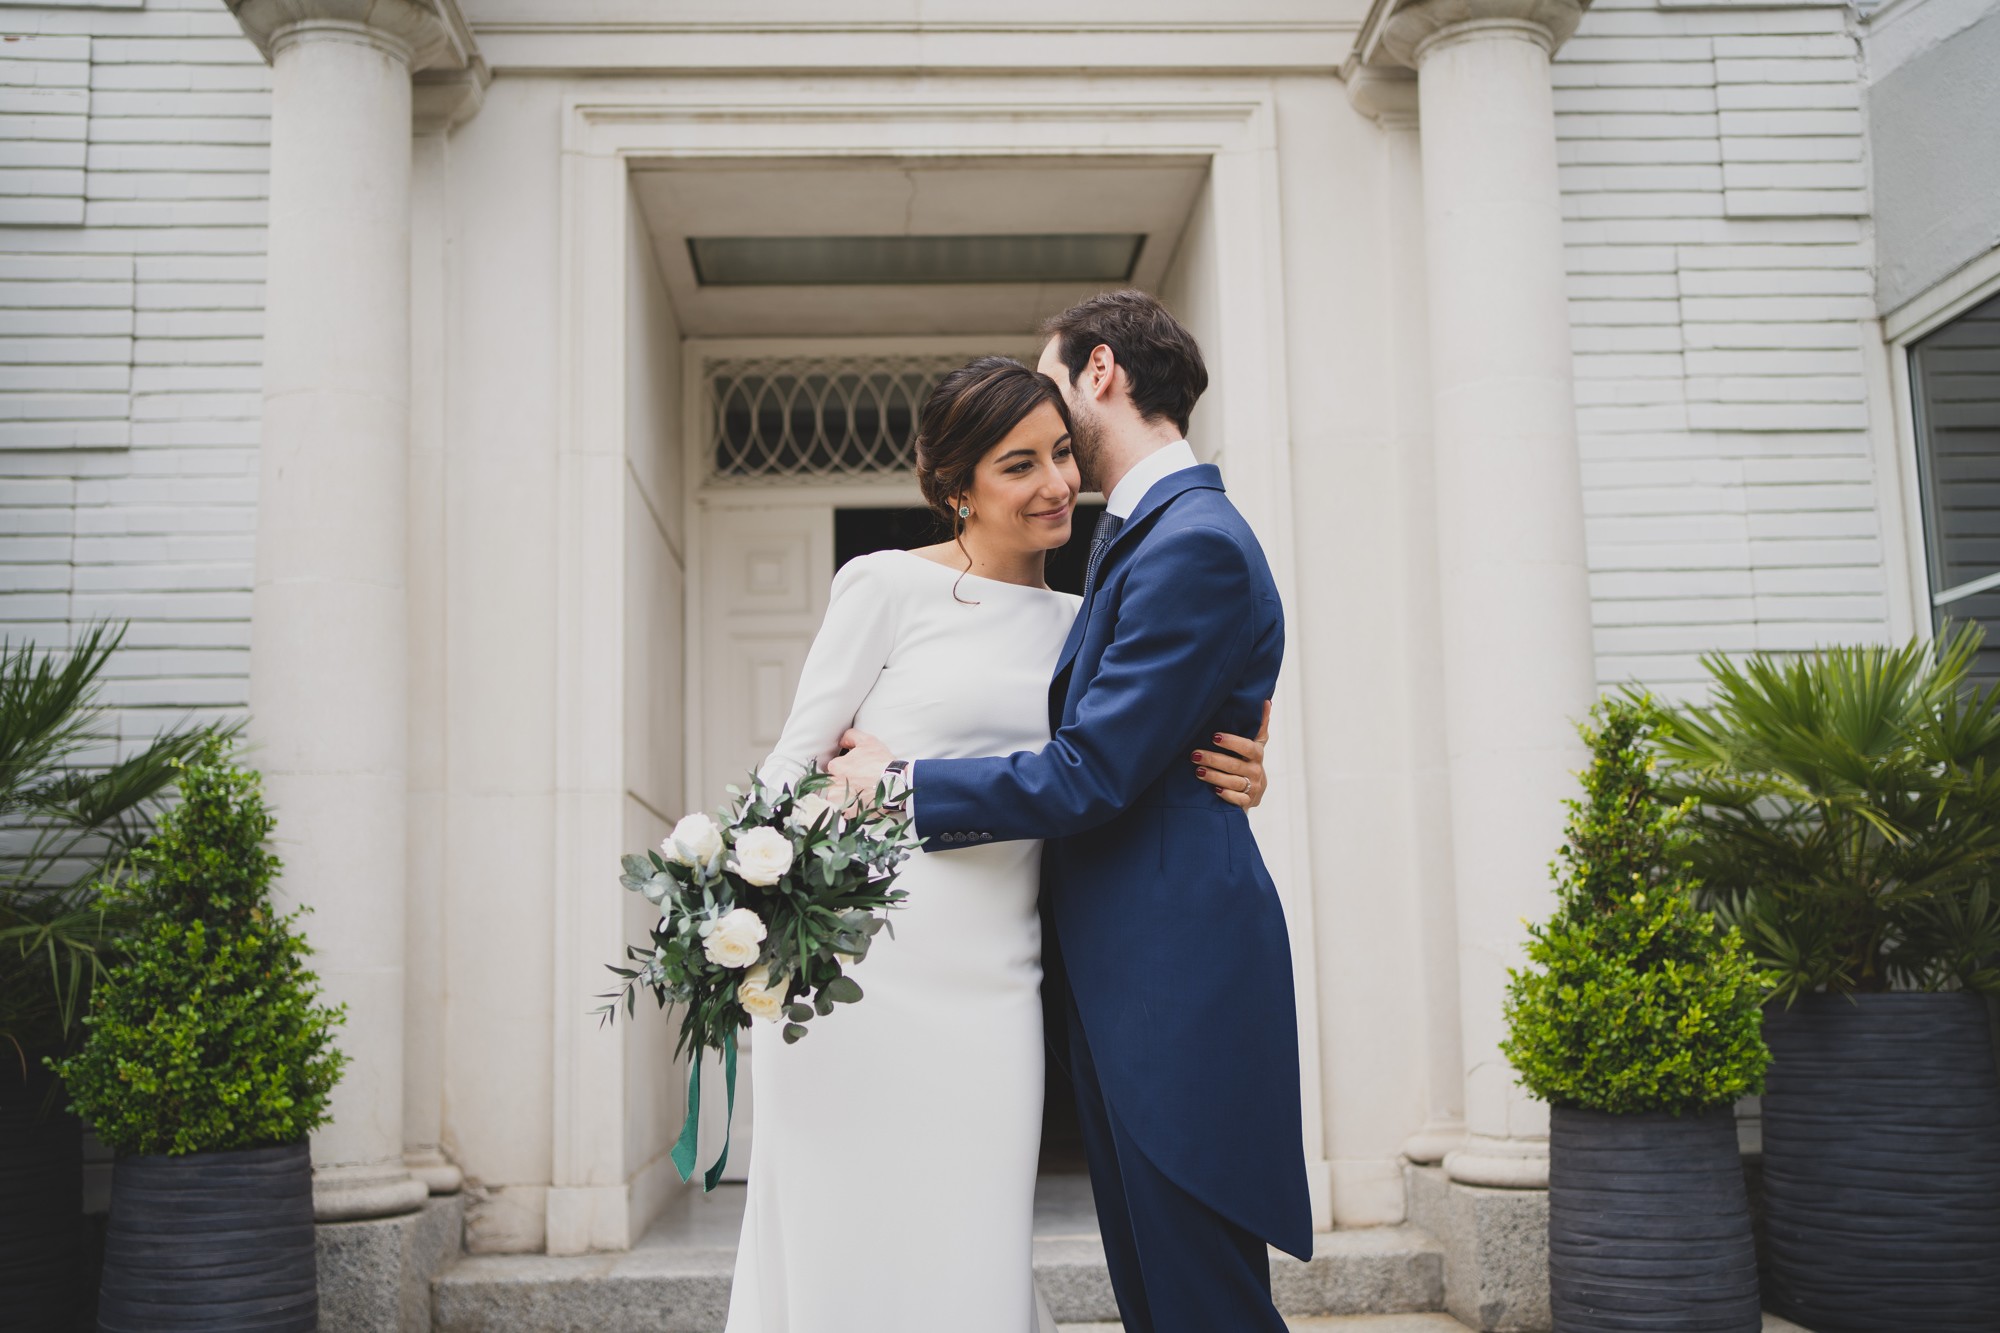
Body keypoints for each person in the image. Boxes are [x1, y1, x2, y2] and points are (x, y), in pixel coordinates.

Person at [725, 351, 1270, 1333]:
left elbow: (1112, 765)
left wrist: (1239, 767)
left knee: (968, 1232)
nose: (1057, 483)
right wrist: (732, 925)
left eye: (1062, 453)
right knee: (835, 1227)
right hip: (856, 974)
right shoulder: (884, 586)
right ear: (955, 489)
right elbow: (792, 764)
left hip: (994, 981)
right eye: (1018, 465)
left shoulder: (1087, 621)